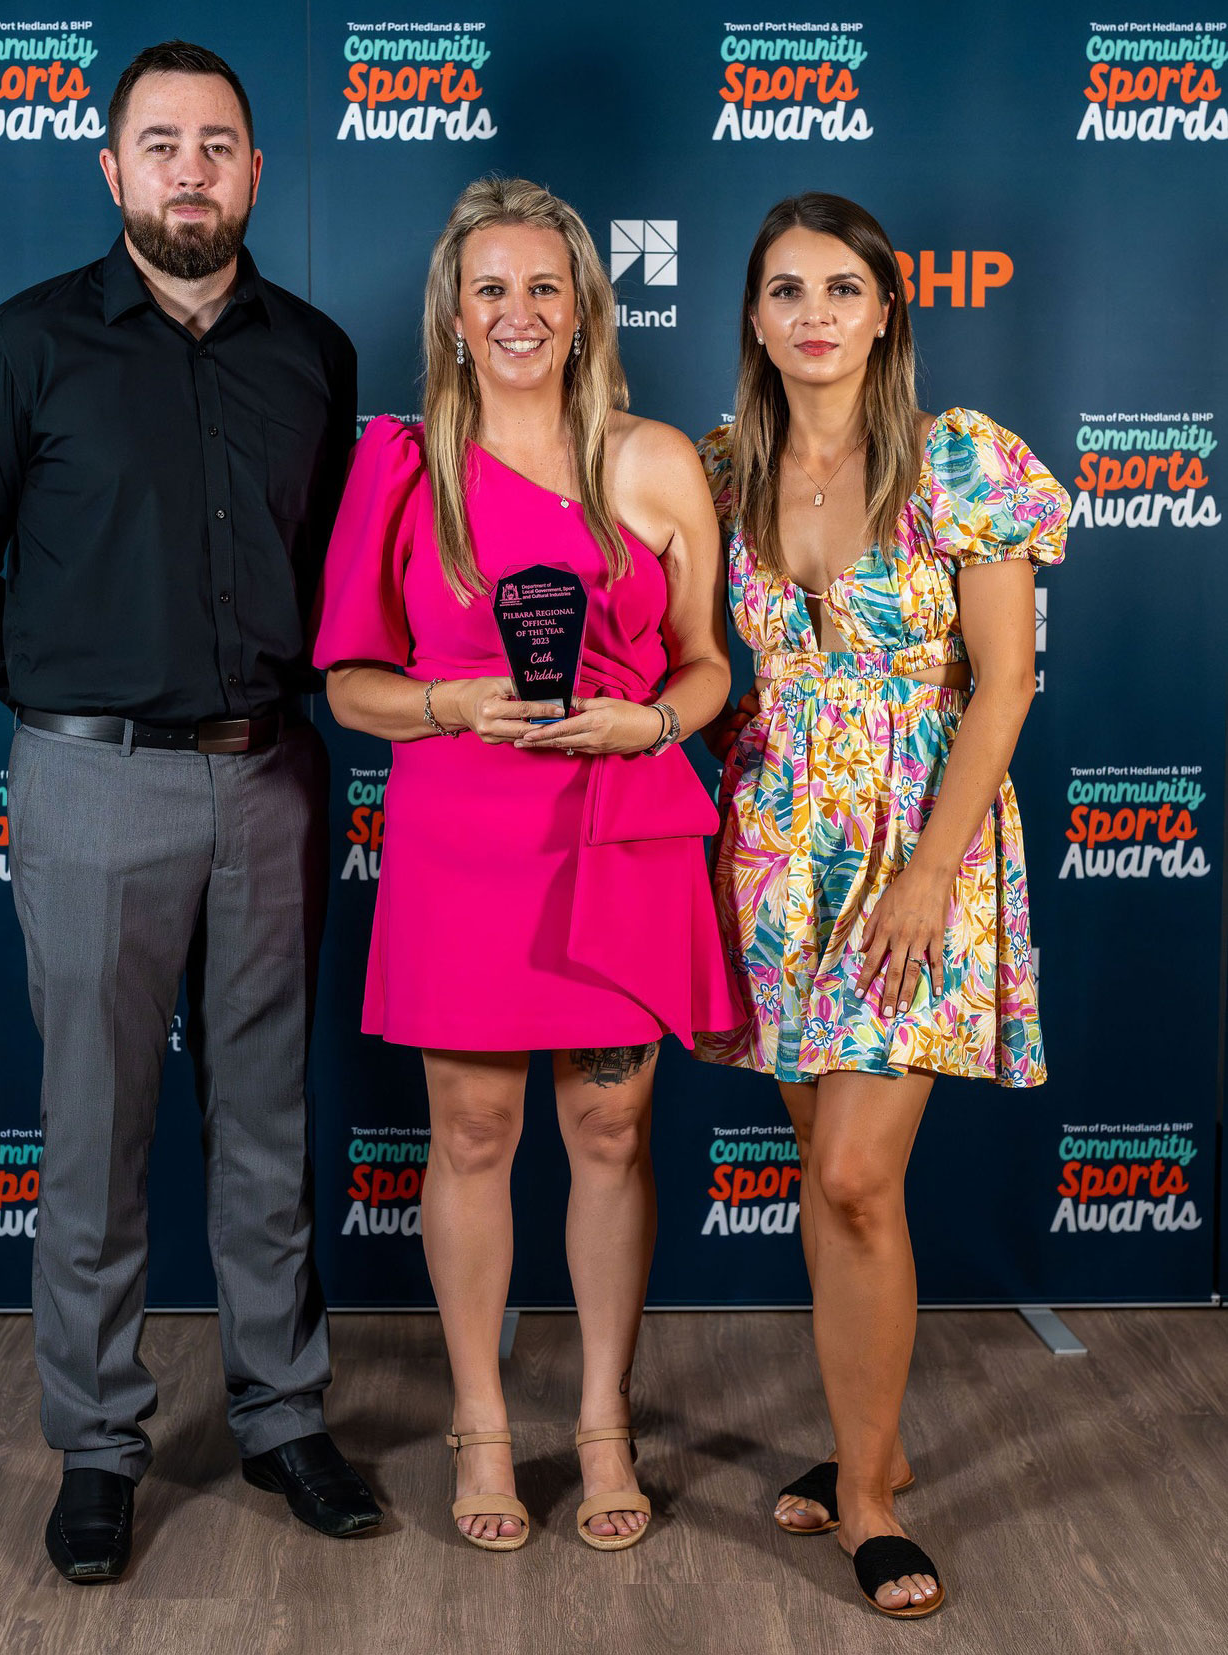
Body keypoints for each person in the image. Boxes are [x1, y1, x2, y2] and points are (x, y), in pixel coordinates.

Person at [0, 39, 382, 1584]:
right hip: (89, 776)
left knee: (265, 1119)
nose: (191, 168)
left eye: (219, 143)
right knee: (95, 1128)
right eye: (159, 143)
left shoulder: (314, 352)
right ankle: (99, 1446)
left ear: (256, 171)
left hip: (274, 775)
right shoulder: (19, 345)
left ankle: (282, 1413)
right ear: (112, 171)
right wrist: (73, 702)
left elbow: (334, 573)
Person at [315, 176, 741, 1553]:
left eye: (543, 287)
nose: (517, 313)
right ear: (450, 311)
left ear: (584, 311)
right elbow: (351, 689)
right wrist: (446, 703)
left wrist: (655, 720)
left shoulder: (656, 459)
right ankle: (483, 1423)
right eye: (489, 288)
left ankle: (604, 1419)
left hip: (619, 826)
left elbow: (705, 664)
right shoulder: (396, 465)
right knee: (473, 1133)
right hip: (463, 832)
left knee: (611, 1128)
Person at [697, 192, 1068, 1618]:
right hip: (777, 844)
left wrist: (926, 871)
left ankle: (859, 1499)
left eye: (839, 289)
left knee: (854, 1179)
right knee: (829, 1181)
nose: (811, 316)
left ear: (885, 311)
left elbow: (1007, 682)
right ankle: (878, 1441)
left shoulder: (959, 458)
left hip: (924, 841)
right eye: (784, 290)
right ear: (752, 316)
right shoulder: (725, 467)